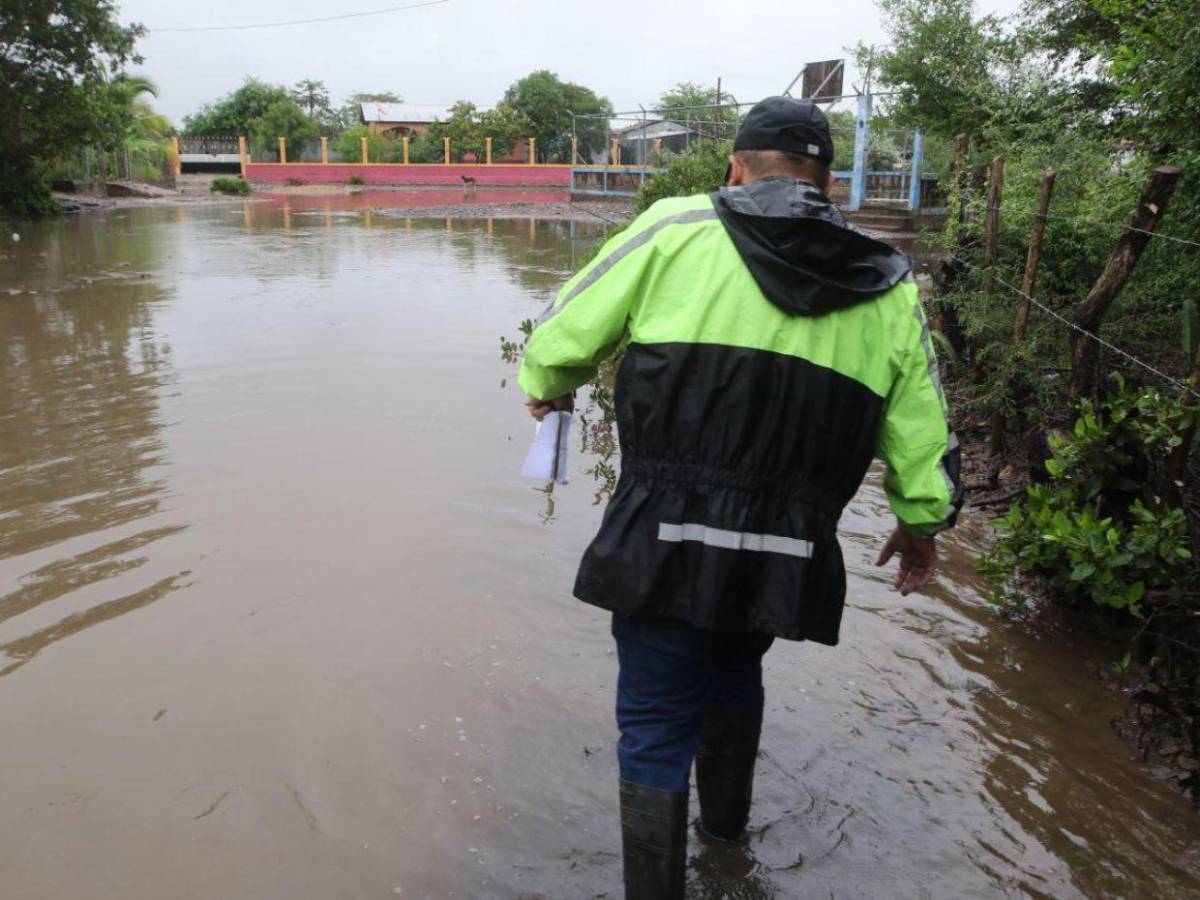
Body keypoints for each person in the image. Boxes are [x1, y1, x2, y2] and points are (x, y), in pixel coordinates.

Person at [519, 96, 964, 899]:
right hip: (787, 549)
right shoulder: (890, 282)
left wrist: (548, 387)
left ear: (734, 167)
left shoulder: (678, 227)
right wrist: (923, 522)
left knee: (655, 719)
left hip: (664, 529)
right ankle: (726, 849)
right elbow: (921, 424)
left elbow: (559, 337)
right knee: (733, 679)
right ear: (828, 180)